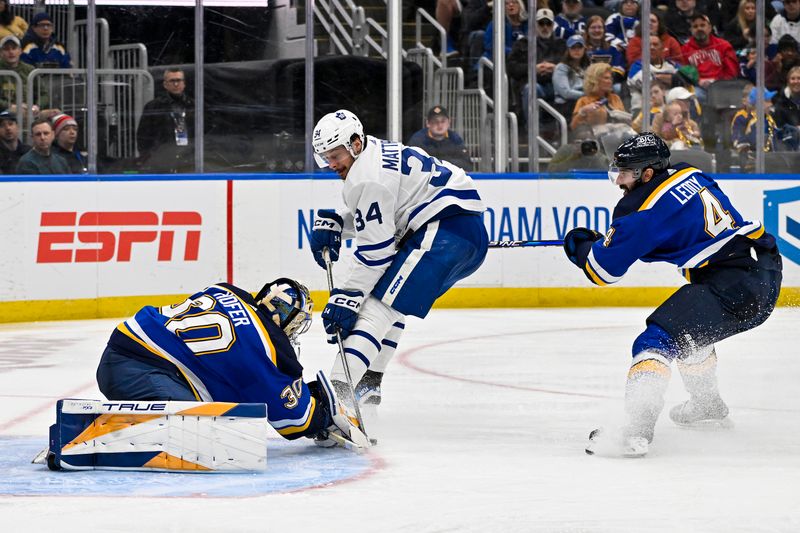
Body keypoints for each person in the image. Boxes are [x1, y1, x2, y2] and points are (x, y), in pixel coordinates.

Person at [563, 132, 782, 457]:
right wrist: (619, 241)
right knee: (690, 334)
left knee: (654, 342)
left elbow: (601, 271)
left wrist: (580, 247)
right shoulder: (690, 173)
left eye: (626, 172)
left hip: (731, 284)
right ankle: (707, 406)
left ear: (647, 173)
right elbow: (679, 228)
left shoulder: (638, 211)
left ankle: (635, 431)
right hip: (763, 266)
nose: (619, 180)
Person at [309, 109, 488, 410]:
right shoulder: (374, 151)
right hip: (458, 232)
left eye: (336, 155)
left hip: (443, 233)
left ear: (354, 143)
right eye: (326, 157)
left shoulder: (366, 178)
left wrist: (346, 296)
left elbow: (376, 252)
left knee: (375, 307)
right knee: (392, 301)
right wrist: (341, 222)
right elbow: (385, 212)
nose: (332, 164)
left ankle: (337, 396)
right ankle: (368, 385)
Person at [95, 278, 366, 448]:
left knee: (218, 406)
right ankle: (98, 439)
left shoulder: (226, 290)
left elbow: (228, 370)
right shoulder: (268, 348)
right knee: (205, 433)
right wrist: (320, 415)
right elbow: (294, 421)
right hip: (141, 370)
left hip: (123, 350)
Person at [136, 68, 194, 173]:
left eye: (179, 80)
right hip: (162, 161)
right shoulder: (153, 107)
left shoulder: (195, 106)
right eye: (172, 81)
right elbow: (143, 137)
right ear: (165, 84)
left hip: (190, 159)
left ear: (184, 83)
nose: (176, 84)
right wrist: (150, 158)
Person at [681, 14, 739, 99]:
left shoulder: (724, 45)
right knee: (693, 96)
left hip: (722, 87)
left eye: (702, 25)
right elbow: (683, 73)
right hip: (697, 88)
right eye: (695, 26)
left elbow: (732, 72)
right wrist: (697, 81)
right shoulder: (685, 49)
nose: (699, 29)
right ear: (691, 30)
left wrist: (716, 82)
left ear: (710, 28)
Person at [407, 105, 471, 170]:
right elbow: (410, 163)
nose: (440, 125)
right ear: (428, 123)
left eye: (443, 121)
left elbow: (466, 164)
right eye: (435, 121)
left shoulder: (455, 139)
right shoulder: (418, 140)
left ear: (449, 122)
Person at [626, 35, 678, 115]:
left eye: (655, 44)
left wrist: (659, 77)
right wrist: (671, 79)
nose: (652, 47)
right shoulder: (637, 66)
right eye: (648, 45)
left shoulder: (671, 64)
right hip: (645, 110)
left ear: (662, 49)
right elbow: (648, 84)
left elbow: (687, 77)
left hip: (670, 109)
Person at [570, 62, 630, 131]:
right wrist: (583, 112)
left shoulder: (615, 98)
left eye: (611, 78)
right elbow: (573, 127)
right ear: (595, 80)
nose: (610, 81)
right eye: (606, 78)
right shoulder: (583, 100)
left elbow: (626, 122)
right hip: (594, 138)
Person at [0, 34, 49, 117]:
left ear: (20, 51)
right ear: (1, 53)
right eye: (6, 49)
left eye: (14, 48)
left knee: (56, 113)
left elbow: (44, 94)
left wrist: (37, 106)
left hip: (30, 111)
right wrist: (10, 106)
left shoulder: (30, 69)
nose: (11, 52)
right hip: (4, 112)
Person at [731, 87, 780, 167]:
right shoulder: (744, 119)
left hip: (772, 162)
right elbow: (738, 143)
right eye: (767, 101)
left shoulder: (769, 118)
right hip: (752, 164)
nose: (771, 104)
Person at [553, 34, 591, 118]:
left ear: (584, 49)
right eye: (573, 47)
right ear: (568, 50)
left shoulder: (587, 67)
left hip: (584, 101)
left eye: (579, 47)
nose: (576, 50)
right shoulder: (561, 68)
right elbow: (565, 93)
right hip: (566, 105)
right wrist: (587, 95)